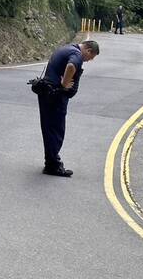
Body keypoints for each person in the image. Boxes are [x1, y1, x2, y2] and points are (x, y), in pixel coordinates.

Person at [37, 40, 100, 177]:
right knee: (56, 129)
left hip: (46, 93)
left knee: (49, 128)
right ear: (88, 50)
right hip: (55, 96)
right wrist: (64, 85)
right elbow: (71, 66)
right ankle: (53, 165)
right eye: (91, 57)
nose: (90, 60)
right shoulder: (76, 54)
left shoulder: (67, 48)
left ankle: (50, 163)